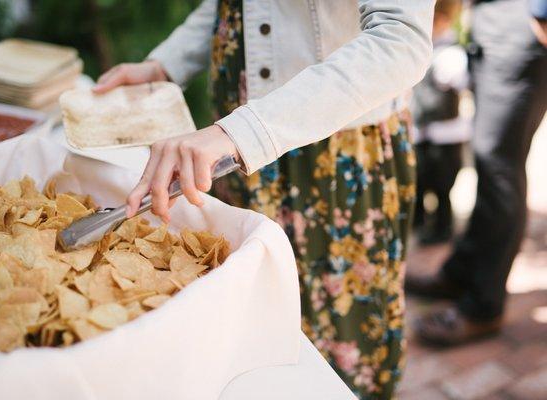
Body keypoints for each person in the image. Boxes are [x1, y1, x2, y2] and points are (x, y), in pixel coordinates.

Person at [93, 1, 434, 397]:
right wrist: (167, 63)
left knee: (336, 343)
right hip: (240, 153)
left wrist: (240, 134)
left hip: (329, 162)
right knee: (261, 330)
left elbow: (401, 39)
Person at [407, 0, 547, 346]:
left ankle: (484, 305)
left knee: (499, 167)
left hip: (521, 23)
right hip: (494, 21)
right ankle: (462, 272)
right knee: (488, 163)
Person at [411, 0, 472, 245]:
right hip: (420, 132)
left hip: (446, 134)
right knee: (421, 183)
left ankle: (442, 230)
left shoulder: (451, 53)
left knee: (443, 187)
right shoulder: (420, 48)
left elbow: (459, 82)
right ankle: (421, 225)